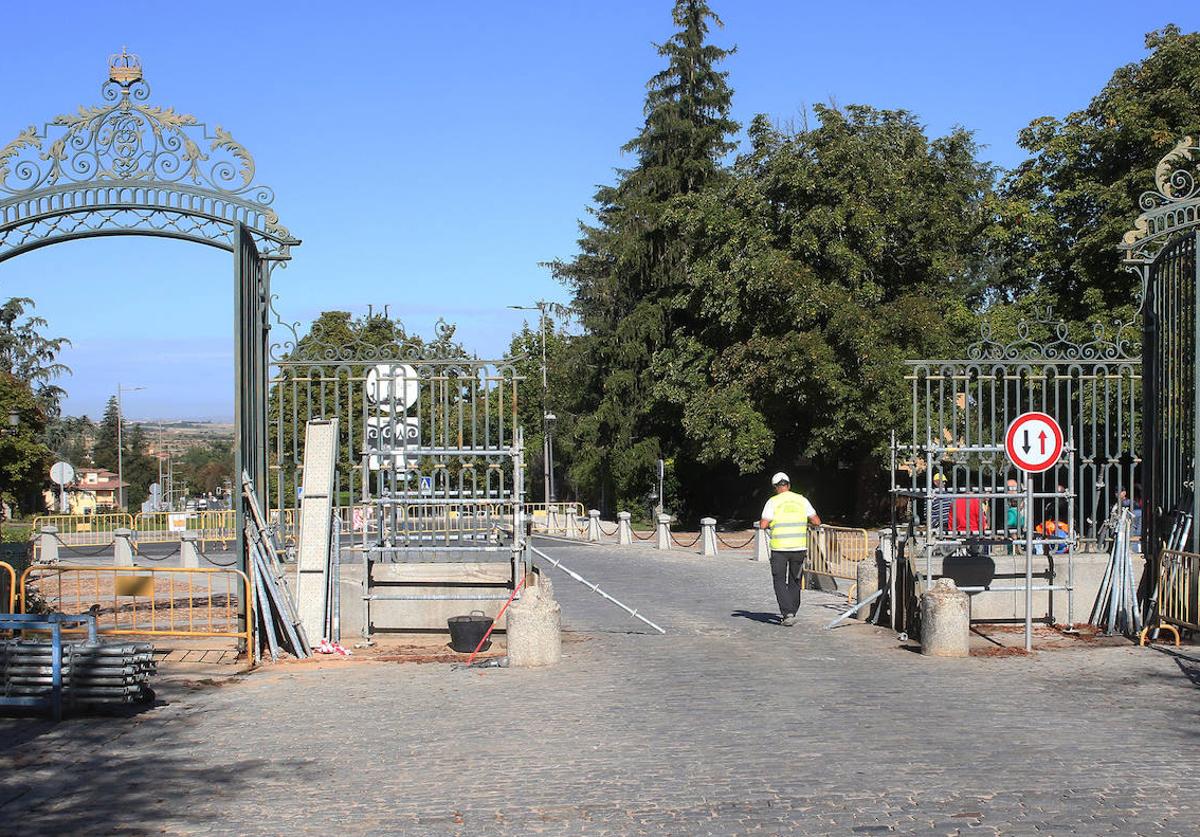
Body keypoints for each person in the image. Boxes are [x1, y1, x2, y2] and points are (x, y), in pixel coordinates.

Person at [757, 472, 821, 627]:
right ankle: (792, 609)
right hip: (799, 547)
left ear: (775, 487)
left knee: (779, 580)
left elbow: (763, 525)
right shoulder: (802, 500)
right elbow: (816, 521)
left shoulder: (773, 502)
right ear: (789, 485)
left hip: (779, 548)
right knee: (795, 579)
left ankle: (787, 613)